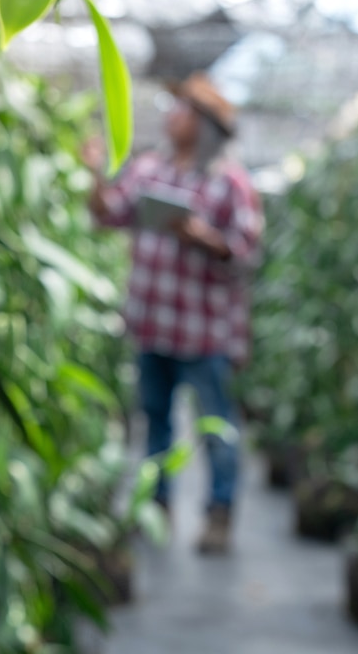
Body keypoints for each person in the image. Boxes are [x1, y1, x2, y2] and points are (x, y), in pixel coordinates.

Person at [83, 72, 263, 554]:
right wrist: (96, 174)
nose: (172, 116)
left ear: (204, 125)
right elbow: (109, 215)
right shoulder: (149, 170)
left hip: (205, 334)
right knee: (156, 422)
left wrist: (197, 234)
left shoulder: (230, 184)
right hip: (152, 326)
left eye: (183, 110)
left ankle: (219, 514)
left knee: (218, 427)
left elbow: (246, 254)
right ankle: (155, 506)